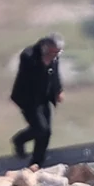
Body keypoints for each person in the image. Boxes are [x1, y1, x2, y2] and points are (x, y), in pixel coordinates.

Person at [10, 34, 64, 168]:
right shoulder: (29, 55)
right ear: (46, 47)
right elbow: (29, 74)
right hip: (28, 99)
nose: (55, 55)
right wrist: (43, 62)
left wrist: (58, 90)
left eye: (57, 52)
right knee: (41, 128)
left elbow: (55, 74)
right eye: (53, 52)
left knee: (46, 132)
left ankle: (36, 163)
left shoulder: (54, 57)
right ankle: (19, 140)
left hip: (44, 98)